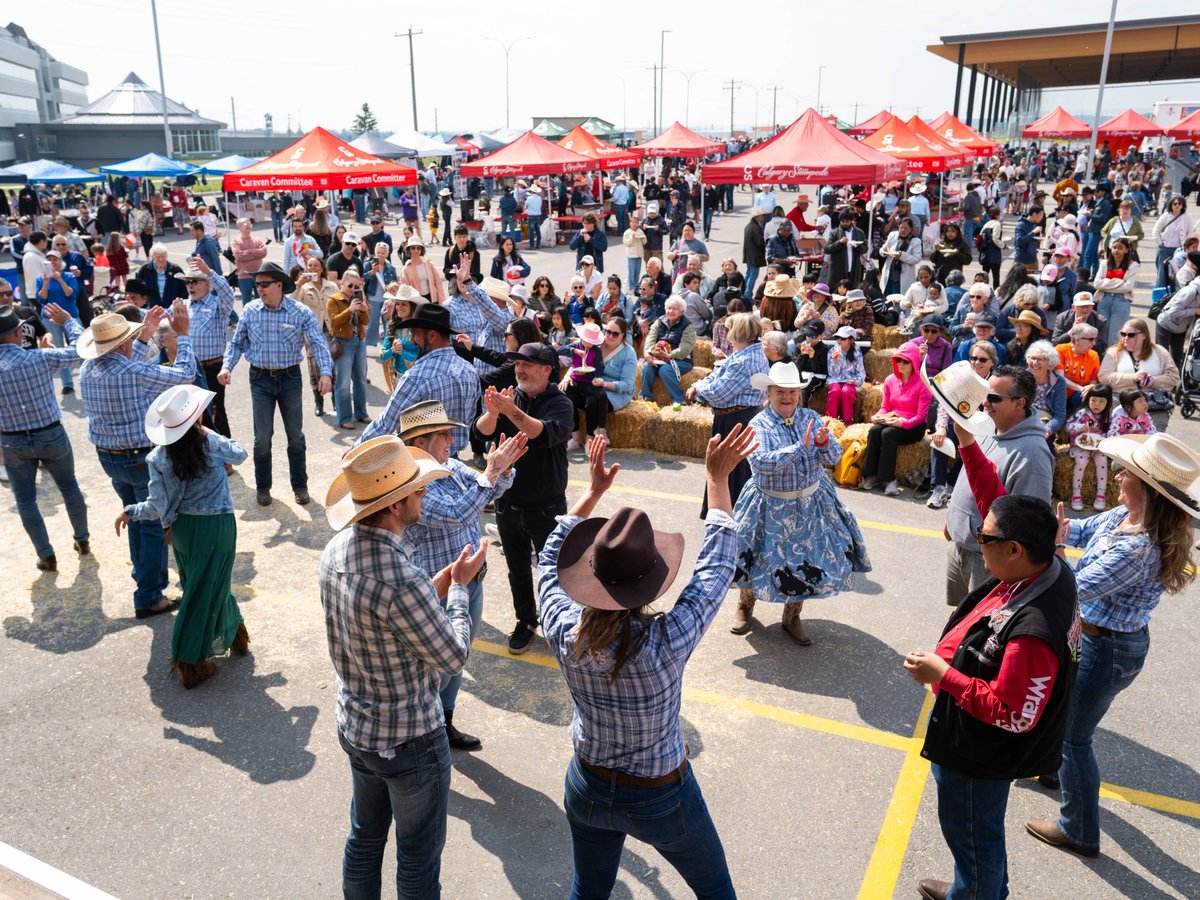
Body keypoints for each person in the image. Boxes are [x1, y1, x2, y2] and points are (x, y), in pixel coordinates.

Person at [538, 429, 755, 900]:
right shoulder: (666, 641)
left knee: (587, 891)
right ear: (649, 584)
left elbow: (547, 559)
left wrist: (592, 493)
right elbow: (716, 569)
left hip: (588, 782)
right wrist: (717, 480)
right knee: (716, 891)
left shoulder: (560, 625)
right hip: (661, 794)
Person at [907, 416, 1078, 900]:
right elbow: (993, 500)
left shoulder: (1033, 633)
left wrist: (943, 675)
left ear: (1015, 549)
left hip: (980, 750)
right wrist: (967, 442)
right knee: (975, 832)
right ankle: (975, 888)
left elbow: (1013, 713)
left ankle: (977, 890)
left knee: (972, 833)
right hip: (971, 738)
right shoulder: (1043, 564)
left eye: (984, 541)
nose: (977, 546)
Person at [319, 434, 485, 900]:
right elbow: (452, 656)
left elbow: (382, 616)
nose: (424, 494)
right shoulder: (400, 578)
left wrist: (436, 584)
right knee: (417, 859)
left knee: (364, 839)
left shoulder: (336, 553)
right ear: (394, 507)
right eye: (416, 489)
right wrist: (457, 588)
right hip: (410, 739)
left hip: (357, 725)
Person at [1022, 432, 1197, 859]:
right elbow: (1084, 529)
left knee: (1075, 739)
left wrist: (1056, 548)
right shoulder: (1126, 516)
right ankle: (1049, 770)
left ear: (1148, 489)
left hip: (1108, 650)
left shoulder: (1139, 548)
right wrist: (1056, 528)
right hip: (1098, 640)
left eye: (1129, 472)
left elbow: (1075, 588)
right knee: (1064, 717)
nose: (1118, 475)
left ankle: (1078, 830)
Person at [397, 401, 528, 750]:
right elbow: (457, 512)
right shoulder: (410, 482)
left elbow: (490, 490)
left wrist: (502, 469)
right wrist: (491, 474)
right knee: (438, 664)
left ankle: (445, 722)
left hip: (470, 581)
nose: (452, 440)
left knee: (460, 654)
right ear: (420, 441)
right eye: (443, 434)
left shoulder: (448, 464)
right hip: (438, 589)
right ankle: (424, 727)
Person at [116, 384, 250, 689]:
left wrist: (131, 511)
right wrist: (209, 432)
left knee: (200, 585)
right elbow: (240, 453)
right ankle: (189, 662)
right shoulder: (210, 442)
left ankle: (234, 635)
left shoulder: (158, 458)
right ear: (196, 417)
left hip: (183, 531)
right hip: (216, 527)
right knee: (208, 587)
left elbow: (156, 505)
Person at [730, 361, 871, 643]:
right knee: (756, 558)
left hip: (811, 504)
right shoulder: (759, 424)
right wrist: (800, 448)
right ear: (768, 394)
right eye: (780, 391)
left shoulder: (811, 417)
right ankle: (745, 607)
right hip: (769, 506)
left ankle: (792, 617)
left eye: (792, 391)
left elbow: (833, 458)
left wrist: (822, 443)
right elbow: (761, 464)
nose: (787, 396)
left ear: (799, 394)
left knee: (806, 562)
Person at [79, 303, 197, 618]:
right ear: (123, 343)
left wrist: (143, 334)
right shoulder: (131, 371)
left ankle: (147, 579)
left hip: (109, 457)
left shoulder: (89, 369)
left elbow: (126, 365)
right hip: (138, 457)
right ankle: (147, 594)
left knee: (136, 516)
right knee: (152, 522)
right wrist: (182, 337)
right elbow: (184, 374)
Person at [473, 342, 575, 655]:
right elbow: (481, 433)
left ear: (547, 370)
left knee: (555, 571)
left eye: (527, 364)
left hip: (547, 507)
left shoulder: (560, 403)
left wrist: (508, 410)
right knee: (516, 569)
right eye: (517, 364)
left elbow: (540, 433)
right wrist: (492, 414)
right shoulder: (508, 397)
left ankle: (560, 625)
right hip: (507, 503)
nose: (519, 369)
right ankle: (526, 620)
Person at [219, 263, 333, 507]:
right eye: (257, 284)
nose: (259, 288)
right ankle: (263, 487)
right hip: (260, 379)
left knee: (295, 436)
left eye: (264, 284)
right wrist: (227, 366)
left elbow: (318, 343)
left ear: (279, 285)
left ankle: (300, 486)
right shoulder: (250, 311)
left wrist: (325, 373)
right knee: (262, 437)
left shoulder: (300, 312)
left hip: (290, 378)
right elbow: (237, 343)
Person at [943, 366, 1055, 604]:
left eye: (994, 398)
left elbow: (1026, 526)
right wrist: (955, 519)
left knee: (979, 627)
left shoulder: (1033, 454)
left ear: (1019, 403)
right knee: (959, 618)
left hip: (987, 562)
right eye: (984, 394)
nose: (985, 402)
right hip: (962, 546)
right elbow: (969, 476)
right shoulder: (986, 426)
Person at [0, 303, 90, 571]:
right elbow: (83, 350)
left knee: (25, 499)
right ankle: (82, 540)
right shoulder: (39, 358)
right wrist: (68, 322)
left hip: (12, 441)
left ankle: (46, 554)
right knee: (69, 487)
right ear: (19, 334)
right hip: (49, 432)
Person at [360, 295, 481, 458]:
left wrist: (357, 448)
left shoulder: (417, 376)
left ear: (431, 336)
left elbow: (386, 424)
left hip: (420, 462)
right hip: (452, 457)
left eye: (415, 334)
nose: (411, 339)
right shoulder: (470, 370)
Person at [686, 313, 768, 514]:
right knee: (732, 471)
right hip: (737, 417)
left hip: (736, 420)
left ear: (738, 332)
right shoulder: (748, 354)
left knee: (728, 472)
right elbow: (716, 377)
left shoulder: (744, 360)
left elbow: (718, 393)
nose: (726, 332)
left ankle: (725, 514)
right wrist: (700, 384)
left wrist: (697, 389)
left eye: (729, 328)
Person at [927, 348, 999, 510]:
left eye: (982, 359)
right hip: (957, 423)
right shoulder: (962, 376)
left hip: (982, 428)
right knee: (940, 440)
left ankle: (952, 485)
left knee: (975, 448)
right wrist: (941, 427)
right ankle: (938, 487)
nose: (976, 362)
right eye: (973, 358)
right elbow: (944, 404)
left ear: (992, 362)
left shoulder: (995, 383)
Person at [860, 342, 931, 496]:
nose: (901, 364)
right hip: (893, 419)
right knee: (874, 430)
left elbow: (921, 416)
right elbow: (885, 406)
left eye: (905, 361)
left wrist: (903, 423)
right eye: (898, 360)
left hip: (914, 426)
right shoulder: (890, 380)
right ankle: (870, 475)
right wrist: (878, 416)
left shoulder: (924, 384)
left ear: (914, 362)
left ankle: (889, 479)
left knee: (888, 434)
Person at [176, 257, 236, 437]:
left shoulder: (218, 305)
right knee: (191, 416)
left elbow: (228, 293)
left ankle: (226, 458)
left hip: (212, 368)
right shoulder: (184, 305)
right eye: (187, 282)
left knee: (216, 413)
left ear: (206, 284)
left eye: (194, 281)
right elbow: (162, 318)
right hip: (190, 369)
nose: (190, 286)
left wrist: (210, 272)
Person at [1098, 317, 1180, 432]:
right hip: (1121, 402)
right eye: (1123, 334)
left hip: (1152, 403)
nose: (1126, 338)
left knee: (1152, 441)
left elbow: (1174, 377)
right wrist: (1132, 378)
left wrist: (1154, 381)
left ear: (1144, 336)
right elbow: (1103, 377)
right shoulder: (1114, 353)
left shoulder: (1160, 352)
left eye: (1131, 335)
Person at [326, 268, 371, 431]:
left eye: (356, 287)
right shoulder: (334, 300)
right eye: (350, 285)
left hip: (359, 341)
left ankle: (361, 413)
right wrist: (350, 309)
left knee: (360, 379)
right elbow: (334, 322)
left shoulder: (358, 298)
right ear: (342, 283)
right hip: (343, 342)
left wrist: (364, 309)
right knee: (343, 382)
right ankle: (344, 417)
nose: (353, 290)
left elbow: (365, 321)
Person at [293, 255, 339, 416]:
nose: (313, 269)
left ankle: (335, 400)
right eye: (310, 266)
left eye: (316, 266)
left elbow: (339, 303)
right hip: (312, 333)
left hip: (330, 331)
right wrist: (299, 285)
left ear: (322, 268)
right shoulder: (303, 288)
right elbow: (291, 304)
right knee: (314, 367)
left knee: (332, 365)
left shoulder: (331, 286)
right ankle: (319, 402)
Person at [36, 250, 81, 395]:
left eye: (55, 259)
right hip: (49, 317)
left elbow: (71, 294)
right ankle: (67, 383)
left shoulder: (69, 276)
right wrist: (46, 282)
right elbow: (41, 299)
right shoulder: (41, 278)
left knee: (80, 346)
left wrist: (60, 279)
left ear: (61, 262)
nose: (53, 262)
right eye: (49, 260)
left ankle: (87, 377)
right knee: (58, 349)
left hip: (69, 316)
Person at [639, 297, 697, 406]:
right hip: (660, 358)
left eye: (675, 309)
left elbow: (685, 348)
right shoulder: (659, 321)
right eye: (669, 308)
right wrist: (647, 353)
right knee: (647, 366)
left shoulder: (687, 326)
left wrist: (669, 355)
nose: (671, 311)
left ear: (681, 312)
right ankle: (646, 398)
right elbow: (650, 338)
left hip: (681, 360)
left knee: (665, 370)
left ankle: (679, 401)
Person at [1065, 384, 1114, 510]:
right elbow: (1068, 427)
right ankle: (1076, 493)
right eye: (1093, 400)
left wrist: (1104, 438)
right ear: (1088, 400)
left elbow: (1111, 432)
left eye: (1101, 401)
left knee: (1102, 461)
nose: (1097, 404)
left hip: (1098, 448)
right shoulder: (1082, 414)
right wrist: (1081, 427)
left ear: (1108, 403)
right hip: (1080, 446)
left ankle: (1101, 493)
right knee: (1081, 462)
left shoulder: (1108, 417)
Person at [1091, 238, 1138, 346]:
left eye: (1120, 248)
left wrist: (1106, 283)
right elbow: (1097, 283)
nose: (1116, 250)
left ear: (1126, 250)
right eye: (1114, 247)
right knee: (1102, 332)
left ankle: (1114, 359)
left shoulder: (1132, 265)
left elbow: (1128, 287)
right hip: (1104, 299)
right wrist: (1119, 282)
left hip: (1121, 301)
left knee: (1115, 335)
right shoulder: (1104, 263)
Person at [1026, 341, 1068, 445]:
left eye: (1040, 359)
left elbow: (1060, 414)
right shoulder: (1021, 377)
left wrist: (1048, 429)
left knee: (1043, 448)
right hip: (1023, 419)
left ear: (1050, 363)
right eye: (1032, 358)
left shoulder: (1059, 382)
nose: (1035, 363)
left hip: (1045, 422)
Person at [826, 325, 866, 424]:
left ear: (851, 340)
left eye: (843, 338)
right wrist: (835, 362)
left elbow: (861, 372)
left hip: (850, 380)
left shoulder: (857, 353)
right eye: (837, 338)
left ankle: (848, 421)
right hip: (835, 379)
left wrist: (855, 381)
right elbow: (832, 373)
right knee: (835, 391)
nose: (839, 341)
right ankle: (831, 422)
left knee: (846, 392)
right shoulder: (832, 351)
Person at [1151, 196, 1192, 288]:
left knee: (1178, 273)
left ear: (1183, 205)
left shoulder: (1187, 216)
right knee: (1162, 273)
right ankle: (1160, 293)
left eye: (1179, 204)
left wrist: (1186, 246)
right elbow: (1155, 231)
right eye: (1175, 204)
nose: (1177, 205)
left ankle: (1174, 292)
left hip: (1179, 250)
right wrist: (1160, 243)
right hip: (1164, 249)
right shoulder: (1165, 215)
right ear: (1171, 205)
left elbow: (1190, 232)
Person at [1051, 291, 1108, 356]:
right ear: (1073, 307)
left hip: (1088, 356)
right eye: (1081, 306)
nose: (1085, 310)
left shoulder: (1100, 321)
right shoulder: (1062, 318)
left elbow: (1102, 348)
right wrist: (1071, 332)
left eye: (1087, 306)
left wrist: (1086, 336)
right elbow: (1055, 344)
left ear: (1092, 307)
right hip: (1066, 355)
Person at [231, 217, 268, 307]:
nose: (249, 226)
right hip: (244, 276)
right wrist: (255, 252)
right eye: (245, 224)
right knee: (246, 302)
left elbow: (263, 252)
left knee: (261, 300)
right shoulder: (236, 241)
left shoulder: (257, 239)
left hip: (259, 275)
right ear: (239, 227)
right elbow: (239, 256)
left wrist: (248, 252)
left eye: (249, 224)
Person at [138, 244, 186, 309]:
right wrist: (144, 304)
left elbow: (184, 288)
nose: (161, 259)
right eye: (158, 257)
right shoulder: (145, 270)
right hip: (151, 308)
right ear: (153, 257)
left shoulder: (175, 269)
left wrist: (179, 304)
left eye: (163, 256)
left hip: (172, 308)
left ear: (166, 256)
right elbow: (138, 289)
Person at [400, 236, 445, 304]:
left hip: (432, 299)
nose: (416, 250)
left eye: (418, 248)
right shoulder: (406, 269)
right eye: (413, 248)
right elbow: (405, 290)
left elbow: (438, 283)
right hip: (416, 302)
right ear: (409, 250)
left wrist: (442, 301)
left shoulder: (428, 263)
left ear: (421, 250)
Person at [622, 213, 647, 294]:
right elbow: (626, 243)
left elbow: (644, 241)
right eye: (633, 222)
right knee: (631, 271)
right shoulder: (627, 232)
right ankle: (631, 286)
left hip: (639, 254)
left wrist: (643, 238)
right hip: (631, 255)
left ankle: (636, 285)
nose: (634, 224)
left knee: (637, 271)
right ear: (630, 223)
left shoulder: (640, 231)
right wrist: (631, 237)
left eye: (636, 222)